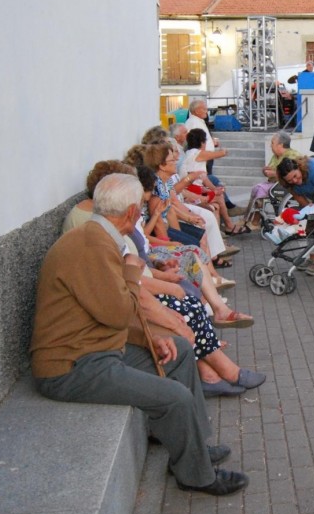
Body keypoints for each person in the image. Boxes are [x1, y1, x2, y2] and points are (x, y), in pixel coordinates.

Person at [31, 173, 248, 497]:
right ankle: (196, 476)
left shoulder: (97, 238)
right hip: (71, 367)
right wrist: (132, 273)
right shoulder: (91, 246)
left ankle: (194, 449)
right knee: (176, 397)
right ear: (132, 214)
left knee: (179, 350)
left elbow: (109, 312)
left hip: (95, 351)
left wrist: (150, 338)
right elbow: (117, 312)